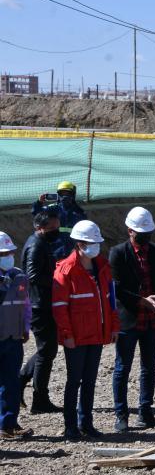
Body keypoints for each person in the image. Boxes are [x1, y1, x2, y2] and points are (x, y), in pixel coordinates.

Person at [52, 220, 120, 440]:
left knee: (90, 380)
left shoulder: (102, 267)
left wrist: (113, 327)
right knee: (74, 381)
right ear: (78, 244)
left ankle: (86, 423)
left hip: (97, 334)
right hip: (77, 337)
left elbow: (111, 301)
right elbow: (59, 307)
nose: (95, 247)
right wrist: (67, 335)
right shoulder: (66, 270)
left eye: (96, 242)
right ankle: (70, 426)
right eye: (90, 243)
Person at [108, 207, 155, 432]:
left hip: (152, 319)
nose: (144, 239)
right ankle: (121, 415)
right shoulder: (118, 253)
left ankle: (145, 413)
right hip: (129, 319)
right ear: (129, 231)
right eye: (140, 234)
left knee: (149, 368)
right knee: (122, 367)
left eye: (148, 234)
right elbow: (117, 288)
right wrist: (141, 300)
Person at [19, 209, 63, 413]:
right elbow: (33, 276)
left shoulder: (40, 243)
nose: (56, 230)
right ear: (39, 227)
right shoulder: (36, 245)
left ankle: (25, 384)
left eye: (57, 226)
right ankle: (39, 398)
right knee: (47, 351)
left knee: (47, 350)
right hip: (40, 306)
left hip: (43, 303)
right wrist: (57, 281)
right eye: (51, 228)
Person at [0, 232, 33, 439]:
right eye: (3, 253)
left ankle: (8, 424)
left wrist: (25, 327)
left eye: (10, 252)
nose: (8, 255)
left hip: (13, 338)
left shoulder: (19, 276)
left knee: (11, 382)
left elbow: (26, 305)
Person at [31, 181, 87, 259]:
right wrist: (39, 202)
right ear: (58, 194)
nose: (65, 196)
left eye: (67, 194)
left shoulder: (80, 212)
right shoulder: (52, 208)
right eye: (62, 194)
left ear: (73, 195)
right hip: (54, 250)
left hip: (73, 252)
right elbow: (37, 214)